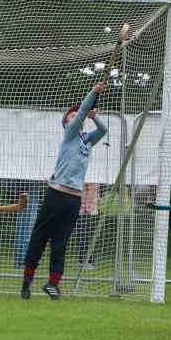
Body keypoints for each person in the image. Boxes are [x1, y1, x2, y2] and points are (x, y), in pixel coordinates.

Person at [20, 81, 108, 300]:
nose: (77, 115)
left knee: (61, 241)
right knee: (40, 237)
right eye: (73, 114)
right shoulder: (69, 134)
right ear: (66, 122)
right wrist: (92, 94)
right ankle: (26, 281)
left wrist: (94, 115)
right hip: (56, 194)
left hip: (73, 199)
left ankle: (53, 284)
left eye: (78, 114)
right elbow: (80, 116)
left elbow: (103, 130)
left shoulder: (87, 140)